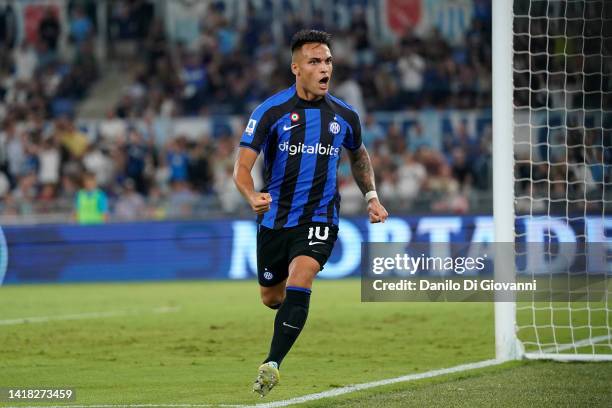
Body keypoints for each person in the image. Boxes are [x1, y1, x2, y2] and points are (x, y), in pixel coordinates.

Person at [233, 29, 388, 397]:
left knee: (303, 275)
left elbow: (359, 155)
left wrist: (371, 196)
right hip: (275, 219)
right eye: (315, 62)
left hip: (321, 217)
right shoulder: (270, 112)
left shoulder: (344, 115)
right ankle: (292, 313)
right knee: (272, 297)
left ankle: (271, 364)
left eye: (328, 61)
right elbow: (241, 167)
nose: (324, 68)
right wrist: (250, 193)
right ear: (296, 68)